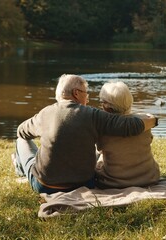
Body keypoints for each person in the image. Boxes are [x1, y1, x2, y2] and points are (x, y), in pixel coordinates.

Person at [13, 74, 157, 194]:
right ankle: (22, 169)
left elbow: (21, 131)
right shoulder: (93, 115)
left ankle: (21, 170)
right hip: (84, 184)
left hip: (45, 186)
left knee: (21, 140)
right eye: (85, 93)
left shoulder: (45, 113)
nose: (87, 98)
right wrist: (154, 120)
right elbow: (130, 125)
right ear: (76, 93)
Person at [95, 81, 160, 188]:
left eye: (102, 102)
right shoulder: (145, 121)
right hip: (149, 177)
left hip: (113, 182)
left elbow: (99, 150)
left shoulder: (103, 128)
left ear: (106, 106)